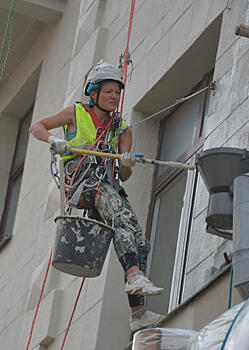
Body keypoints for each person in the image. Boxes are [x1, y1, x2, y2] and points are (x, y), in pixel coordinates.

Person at [29, 61, 163, 331]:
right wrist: (54, 140)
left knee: (140, 241)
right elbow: (37, 126)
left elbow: (124, 175)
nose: (115, 96)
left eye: (117, 92)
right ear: (94, 92)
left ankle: (137, 313)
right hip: (83, 183)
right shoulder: (75, 113)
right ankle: (134, 275)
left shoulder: (122, 129)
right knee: (122, 217)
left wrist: (127, 161)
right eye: (109, 91)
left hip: (106, 185)